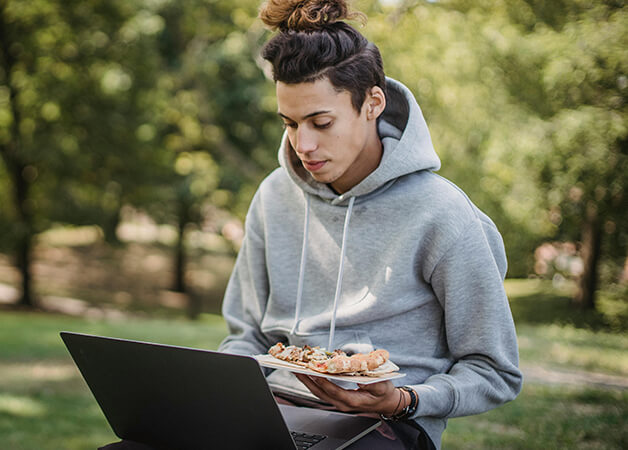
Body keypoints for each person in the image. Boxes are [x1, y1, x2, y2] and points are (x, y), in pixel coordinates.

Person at [216, 0, 522, 449]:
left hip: (387, 426)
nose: (303, 143)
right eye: (290, 123)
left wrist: (403, 400)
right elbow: (246, 337)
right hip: (273, 408)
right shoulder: (274, 195)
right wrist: (216, 395)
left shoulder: (443, 213)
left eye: (321, 122)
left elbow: (494, 370)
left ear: (372, 103)